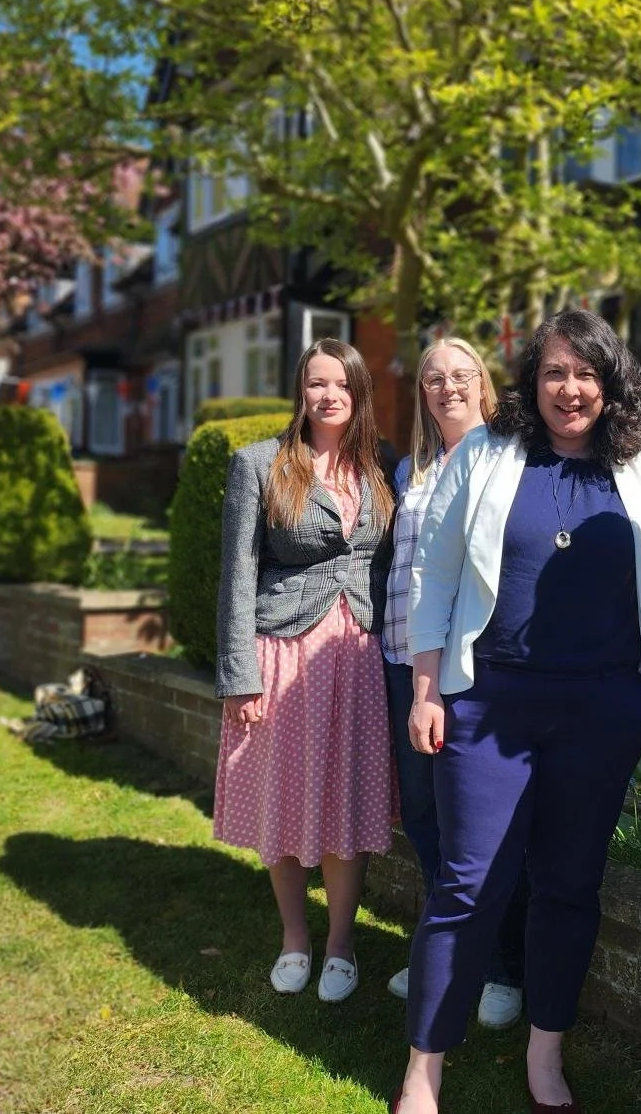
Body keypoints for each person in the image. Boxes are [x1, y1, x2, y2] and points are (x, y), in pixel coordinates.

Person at [394, 309, 641, 1114]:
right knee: (466, 885)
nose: (570, 388)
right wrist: (426, 689)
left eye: (586, 372)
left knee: (568, 884)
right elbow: (435, 575)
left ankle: (545, 1054)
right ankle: (424, 1068)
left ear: (610, 383)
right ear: (532, 380)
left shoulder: (638, 470)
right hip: (489, 701)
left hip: (601, 709)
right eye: (555, 371)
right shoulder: (487, 456)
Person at [211, 337, 395, 1005]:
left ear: (357, 391)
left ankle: (342, 942)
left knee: (351, 797)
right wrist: (238, 676)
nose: (328, 395)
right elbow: (236, 577)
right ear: (300, 390)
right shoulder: (257, 463)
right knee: (279, 796)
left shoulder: (383, 464)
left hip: (358, 655)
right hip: (281, 652)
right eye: (316, 383)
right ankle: (295, 936)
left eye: (340, 384)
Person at [380, 337, 530, 1030]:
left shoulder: (507, 457)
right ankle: (449, 946)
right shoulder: (413, 465)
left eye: (461, 375)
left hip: (470, 668)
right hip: (402, 661)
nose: (447, 387)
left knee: (479, 822)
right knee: (423, 814)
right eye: (434, 378)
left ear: (483, 383)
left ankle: (498, 964)